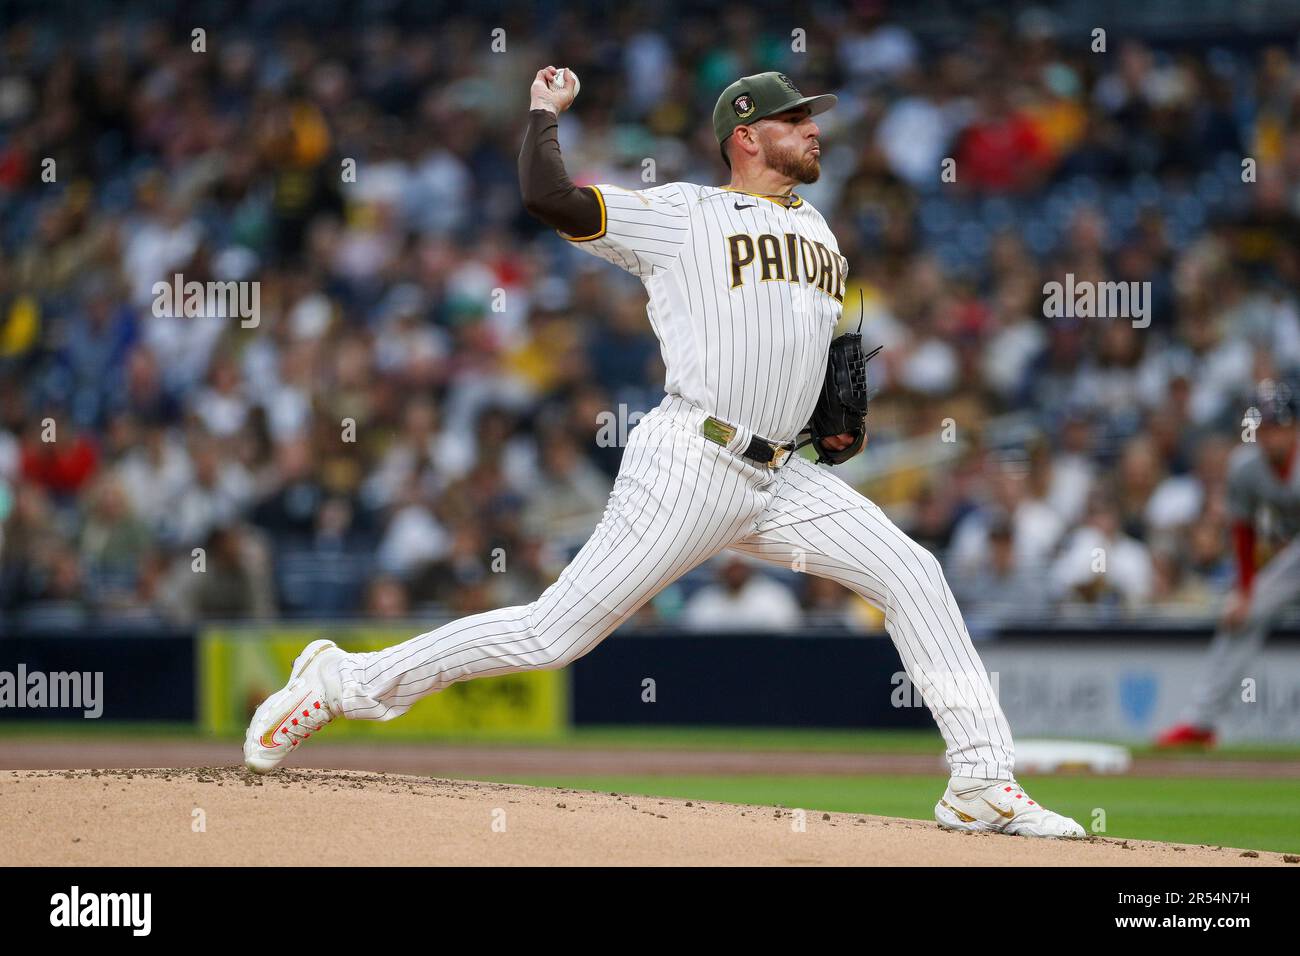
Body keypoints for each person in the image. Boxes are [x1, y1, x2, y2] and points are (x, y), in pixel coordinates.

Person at [243, 68, 1085, 838]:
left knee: (914, 573)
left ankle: (980, 780)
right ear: (746, 134)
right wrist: (543, 114)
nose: (815, 130)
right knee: (550, 636)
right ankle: (338, 682)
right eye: (797, 119)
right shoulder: (684, 213)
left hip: (781, 475)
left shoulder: (824, 236)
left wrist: (833, 422)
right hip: (692, 458)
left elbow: (822, 360)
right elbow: (550, 198)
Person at [1156, 383, 1300, 747]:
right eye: (1264, 427)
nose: (1271, 435)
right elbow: (1243, 529)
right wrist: (1245, 590)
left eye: (1279, 425)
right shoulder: (1245, 467)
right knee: (1241, 616)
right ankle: (1200, 723)